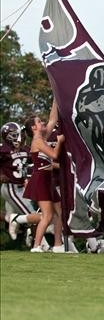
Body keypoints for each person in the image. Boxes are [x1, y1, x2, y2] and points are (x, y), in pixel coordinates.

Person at [23, 101, 66, 252]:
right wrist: (59, 142)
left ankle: (58, 245)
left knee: (60, 212)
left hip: (48, 179)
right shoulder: (38, 141)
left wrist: (56, 97)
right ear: (33, 128)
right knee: (47, 215)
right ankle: (36, 246)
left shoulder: (42, 138)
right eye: (39, 122)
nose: (42, 123)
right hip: (41, 179)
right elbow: (54, 155)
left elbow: (53, 119)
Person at [0, 121, 41, 241]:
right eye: (17, 134)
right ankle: (40, 244)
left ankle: (30, 235)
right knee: (33, 215)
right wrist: (1, 174)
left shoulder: (25, 149)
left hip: (22, 188)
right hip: (11, 187)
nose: (21, 136)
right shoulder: (3, 149)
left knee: (30, 215)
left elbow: (34, 162)